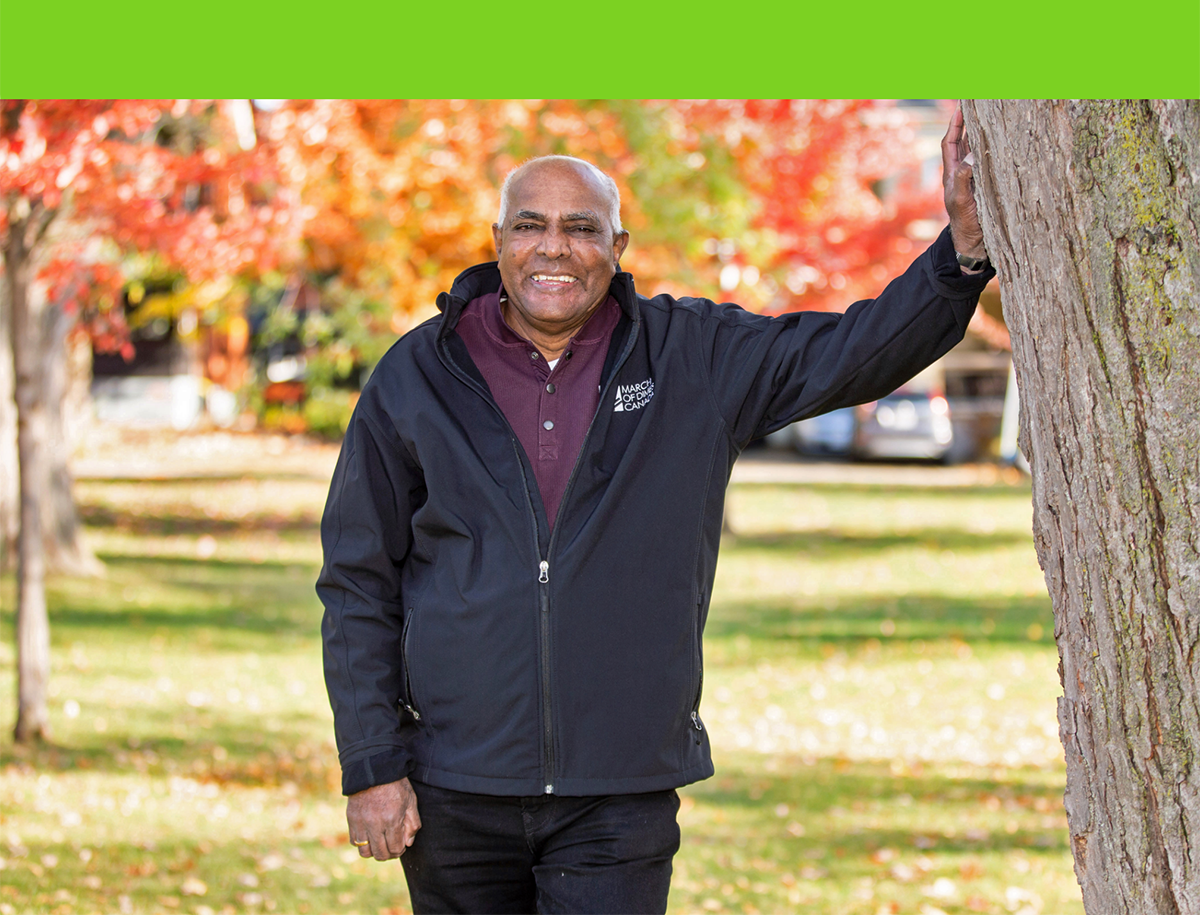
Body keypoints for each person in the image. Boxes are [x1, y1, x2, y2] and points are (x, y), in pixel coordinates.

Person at [317, 107, 992, 914]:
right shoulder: (417, 376)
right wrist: (372, 762)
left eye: (582, 228)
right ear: (498, 241)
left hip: (619, 787)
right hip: (455, 786)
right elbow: (358, 581)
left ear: (618, 247)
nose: (555, 247)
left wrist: (962, 254)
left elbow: (852, 350)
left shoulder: (691, 356)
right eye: (530, 225)